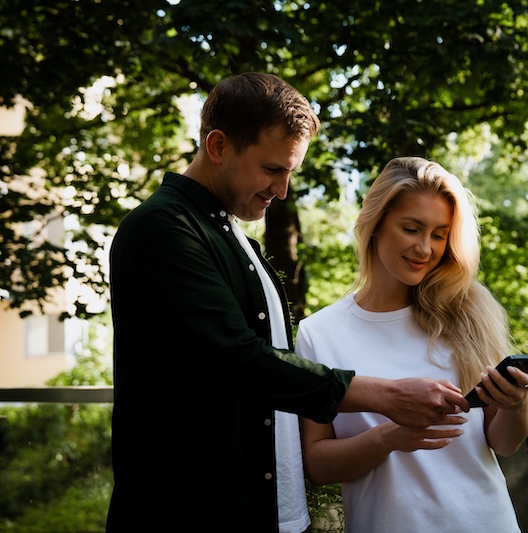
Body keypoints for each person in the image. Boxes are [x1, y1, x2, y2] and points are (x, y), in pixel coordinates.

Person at [106, 74, 470, 533]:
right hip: (187, 510)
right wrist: (388, 396)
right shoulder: (162, 229)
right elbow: (237, 358)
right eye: (273, 169)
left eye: (290, 173)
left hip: (255, 511)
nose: (282, 190)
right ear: (217, 146)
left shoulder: (230, 233)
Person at [296, 156, 528, 533]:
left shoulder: (466, 312)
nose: (425, 248)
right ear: (375, 225)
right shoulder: (318, 333)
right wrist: (389, 437)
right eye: (411, 228)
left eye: (439, 235)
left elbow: (504, 444)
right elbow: (318, 465)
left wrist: (516, 404)